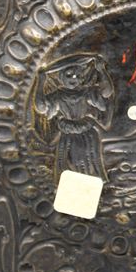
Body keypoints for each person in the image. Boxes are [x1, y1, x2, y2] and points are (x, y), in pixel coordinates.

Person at [34, 54, 114, 182]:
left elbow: (106, 93)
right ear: (61, 77)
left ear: (82, 78)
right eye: (69, 75)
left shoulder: (86, 92)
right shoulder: (58, 96)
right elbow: (41, 108)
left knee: (88, 160)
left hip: (86, 132)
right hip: (68, 133)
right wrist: (40, 82)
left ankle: (90, 185)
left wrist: (102, 71)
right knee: (68, 160)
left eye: (78, 75)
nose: (73, 78)